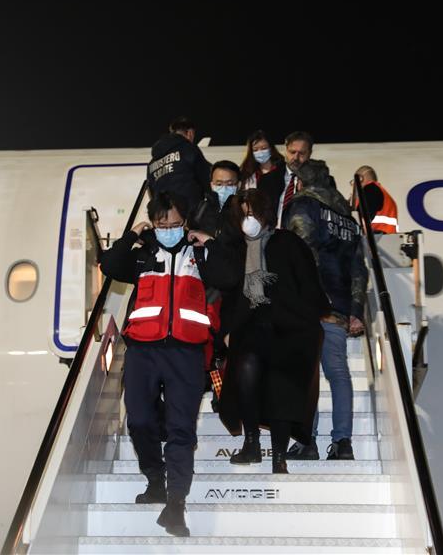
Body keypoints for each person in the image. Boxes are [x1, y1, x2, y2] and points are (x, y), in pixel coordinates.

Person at [99, 191, 240, 537]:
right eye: (161, 225)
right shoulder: (142, 254)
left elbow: (230, 277)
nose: (168, 230)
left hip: (186, 353)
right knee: (140, 419)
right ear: (153, 224)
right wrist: (133, 234)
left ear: (185, 222)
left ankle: (176, 503)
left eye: (175, 224)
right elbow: (110, 265)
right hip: (143, 351)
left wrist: (210, 243)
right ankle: (155, 479)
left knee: (181, 428)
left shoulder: (199, 254)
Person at [217, 188, 328, 474]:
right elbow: (229, 292)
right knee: (245, 376)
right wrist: (228, 329)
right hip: (251, 326)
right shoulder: (236, 249)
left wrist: (306, 320)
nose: (248, 219)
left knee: (282, 390)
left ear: (266, 213)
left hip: (290, 328)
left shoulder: (287, 242)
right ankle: (251, 443)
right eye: (243, 214)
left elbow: (308, 285)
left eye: (252, 213)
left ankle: (279, 457)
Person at [283, 159, 368, 461]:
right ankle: (343, 443)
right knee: (338, 374)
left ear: (302, 182)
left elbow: (298, 253)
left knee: (306, 376)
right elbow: (359, 268)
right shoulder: (348, 218)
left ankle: (307, 442)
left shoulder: (304, 205)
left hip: (310, 305)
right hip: (339, 307)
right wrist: (356, 308)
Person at [147, 116, 214, 229]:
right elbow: (208, 178)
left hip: (165, 220)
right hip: (190, 217)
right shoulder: (188, 149)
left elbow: (152, 192)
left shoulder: (152, 163)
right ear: (190, 133)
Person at [259, 131, 314, 226]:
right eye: (292, 152)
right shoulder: (267, 180)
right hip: (274, 233)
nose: (296, 158)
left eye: (301, 153)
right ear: (286, 151)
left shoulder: (321, 182)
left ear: (309, 154)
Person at [352, 165, 399, 233]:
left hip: (376, 238)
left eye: (354, 181)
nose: (354, 185)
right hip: (388, 237)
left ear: (360, 178)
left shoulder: (370, 190)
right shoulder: (384, 194)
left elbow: (360, 220)